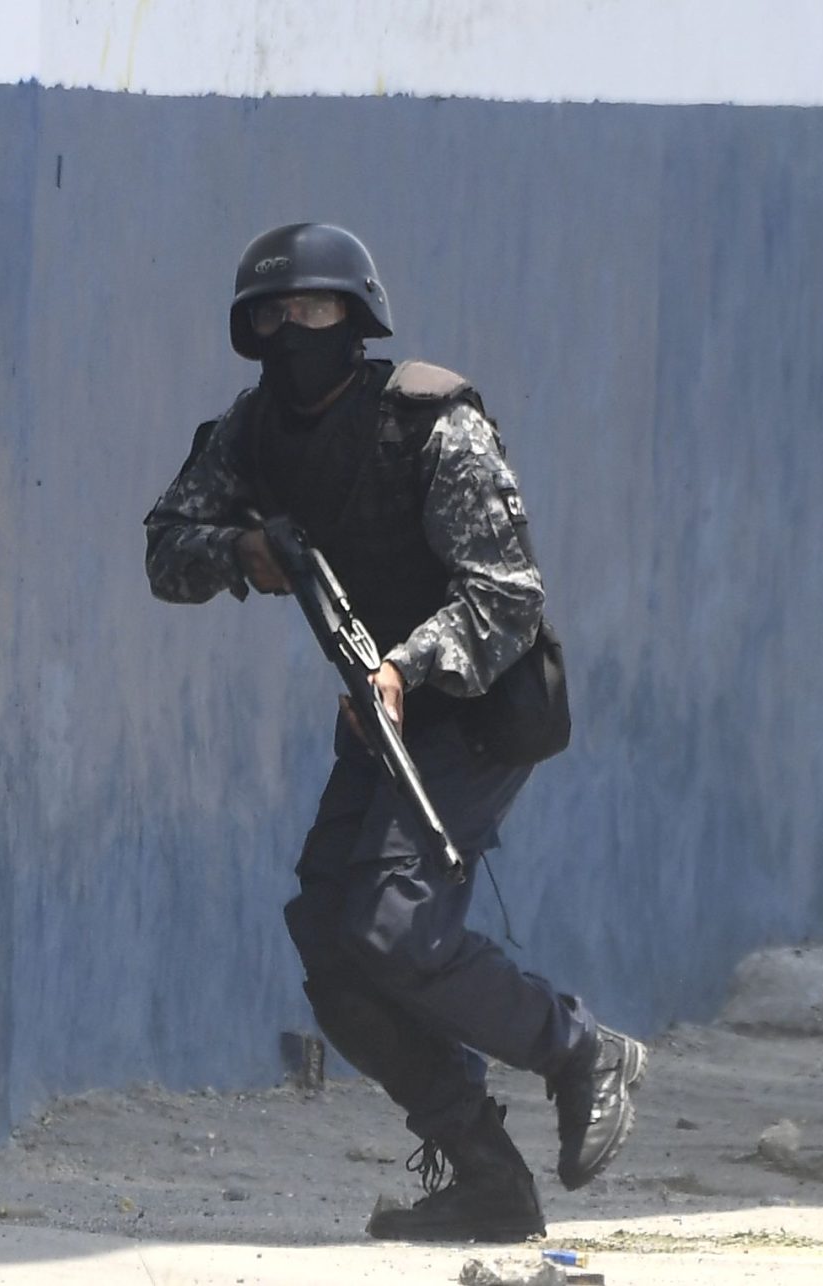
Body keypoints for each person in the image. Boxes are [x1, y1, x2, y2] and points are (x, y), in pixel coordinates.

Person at [142, 223, 645, 1242]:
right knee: (334, 948)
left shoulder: (429, 422)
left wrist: (403, 666)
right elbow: (164, 547)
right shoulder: (252, 433)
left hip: (481, 705)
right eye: (273, 315)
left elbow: (507, 597)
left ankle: (580, 1047)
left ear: (356, 318)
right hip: (382, 720)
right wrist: (243, 546)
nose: (294, 331)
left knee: (392, 924)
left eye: (316, 311)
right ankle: (486, 1173)